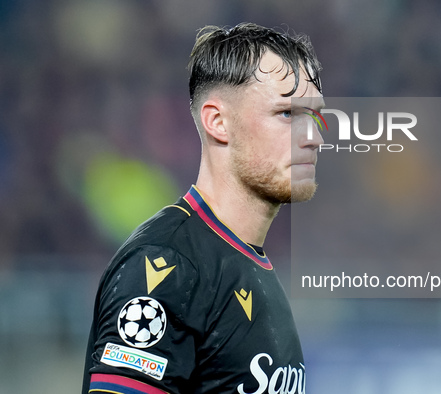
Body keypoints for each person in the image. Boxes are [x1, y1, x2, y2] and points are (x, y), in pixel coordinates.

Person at [81, 22, 324, 394]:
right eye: (288, 115)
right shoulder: (168, 265)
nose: (314, 138)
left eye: (316, 116)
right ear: (218, 122)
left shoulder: (248, 265)